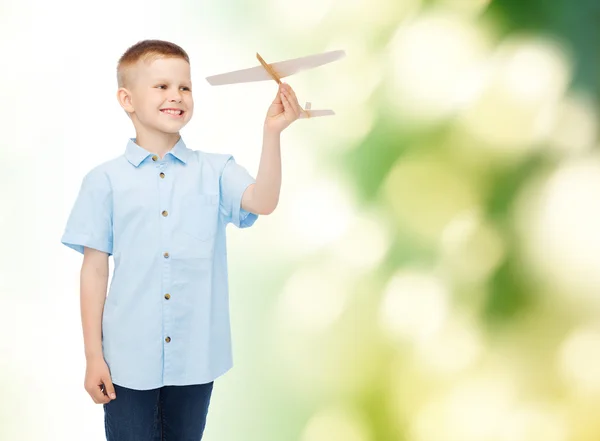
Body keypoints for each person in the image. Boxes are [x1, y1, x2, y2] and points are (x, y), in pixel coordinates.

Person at [60, 39, 303, 441]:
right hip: (126, 359)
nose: (177, 96)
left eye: (185, 87)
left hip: (195, 359)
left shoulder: (216, 170)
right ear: (127, 98)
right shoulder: (103, 181)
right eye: (162, 86)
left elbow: (263, 201)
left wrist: (272, 132)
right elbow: (94, 269)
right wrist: (93, 356)